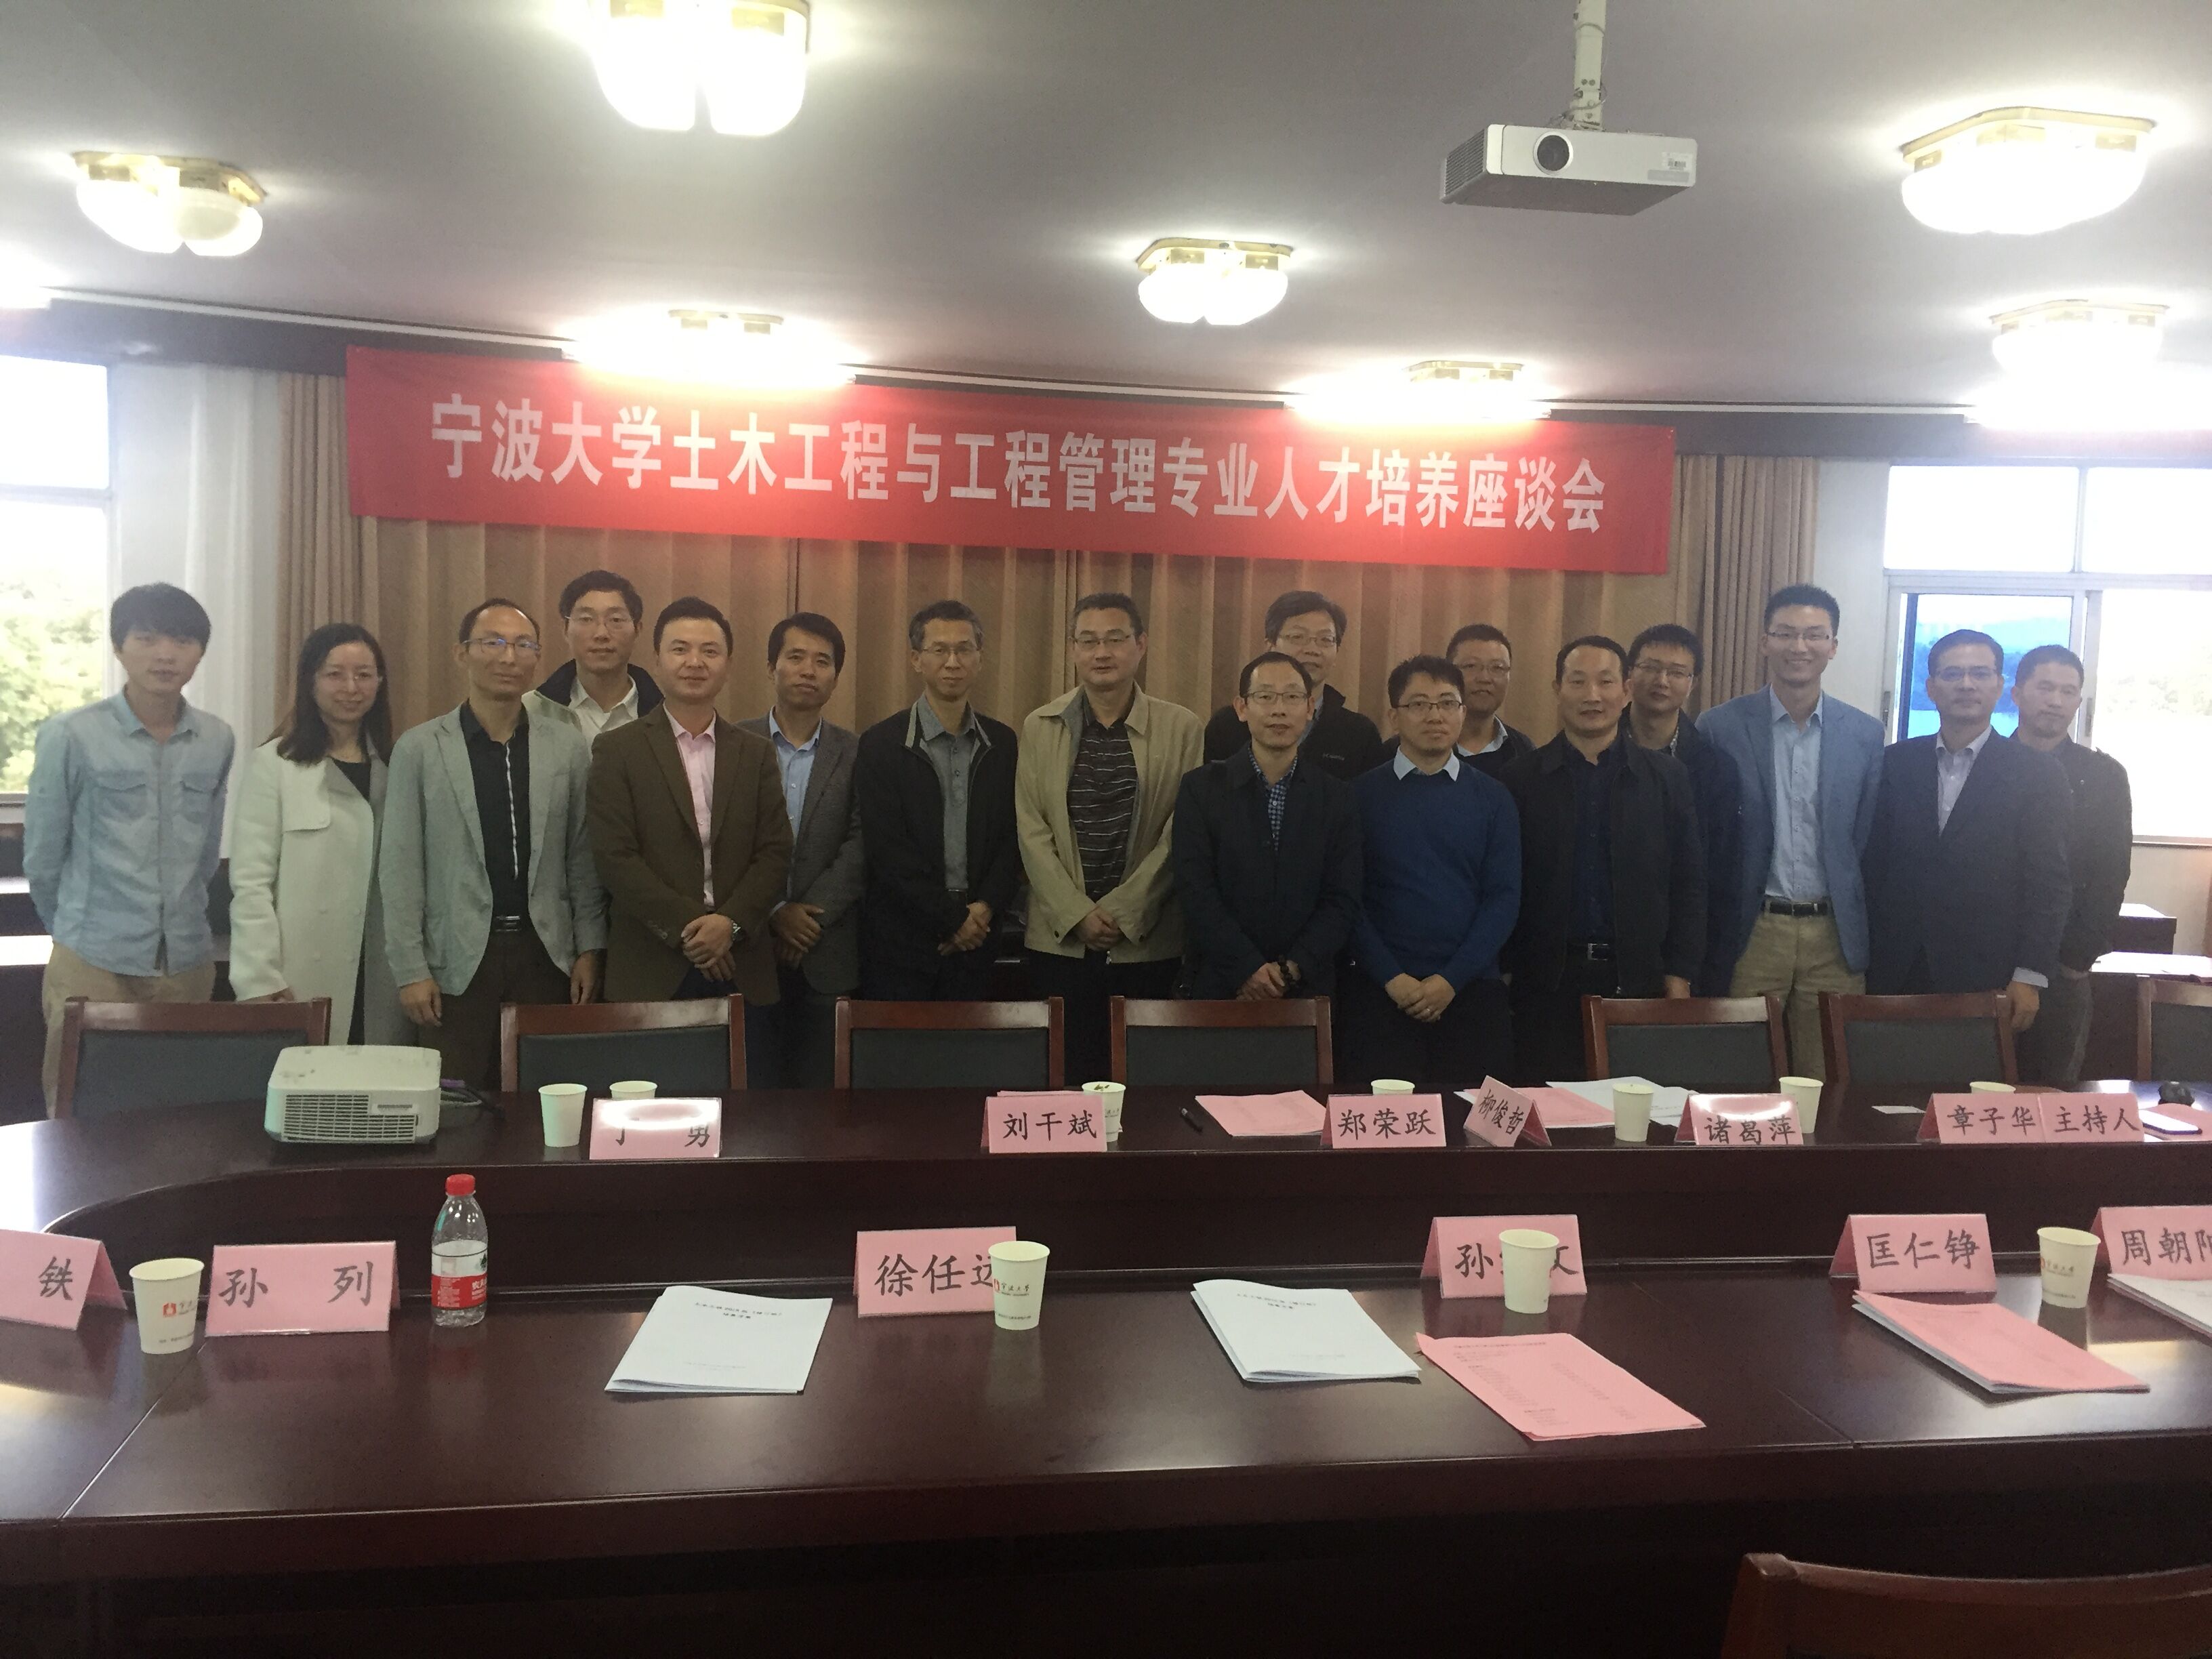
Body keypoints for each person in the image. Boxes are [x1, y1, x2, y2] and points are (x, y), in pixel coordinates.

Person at [24, 583, 236, 1111]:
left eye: (182, 641)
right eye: (147, 639)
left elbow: (206, 852)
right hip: (93, 961)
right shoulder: (71, 734)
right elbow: (43, 858)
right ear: (119, 647)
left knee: (179, 1113)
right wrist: (76, 932)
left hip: (186, 960)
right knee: (79, 1111)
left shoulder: (216, 739)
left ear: (200, 652)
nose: (166, 654)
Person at [382, 598, 607, 1090]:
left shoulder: (566, 747)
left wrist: (589, 947)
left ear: (538, 657)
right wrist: (410, 969)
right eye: (493, 643)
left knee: (547, 1096)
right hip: (455, 960)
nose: (509, 657)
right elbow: (400, 869)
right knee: (455, 1103)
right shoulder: (420, 749)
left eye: (524, 645)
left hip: (545, 955)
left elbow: (581, 858)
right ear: (461, 653)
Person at [587, 598, 792, 1065]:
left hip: (743, 967)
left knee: (751, 1104)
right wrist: (695, 930)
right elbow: (615, 859)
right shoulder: (617, 750)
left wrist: (729, 925)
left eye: (709, 651)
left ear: (728, 665)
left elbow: (776, 852)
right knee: (650, 1103)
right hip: (651, 969)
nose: (695, 662)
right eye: (680, 649)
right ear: (657, 659)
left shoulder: (755, 753)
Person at [1698, 584, 1885, 1078]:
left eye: (1814, 635)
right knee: (1739, 1072)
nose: (1799, 647)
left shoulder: (1865, 734)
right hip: (1754, 929)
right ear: (1764, 642)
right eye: (1785, 634)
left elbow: (1863, 835)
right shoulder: (1719, 727)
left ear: (1833, 646)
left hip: (1833, 934)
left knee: (1825, 1077)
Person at [1015, 593, 1204, 1081]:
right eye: (1089, 640)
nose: (1102, 652)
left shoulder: (1181, 727)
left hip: (1146, 941)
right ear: (1073, 649)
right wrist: (1076, 913)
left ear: (1141, 645)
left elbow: (1181, 832)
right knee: (1064, 1077)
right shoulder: (1039, 726)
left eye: (1115, 639)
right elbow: (1031, 830)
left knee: (1143, 1081)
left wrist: (1124, 910)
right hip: (1059, 940)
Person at [1501, 636, 1705, 1085]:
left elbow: (1688, 882)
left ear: (1627, 689)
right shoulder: (1521, 779)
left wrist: (1680, 972)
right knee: (1547, 1109)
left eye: (1605, 682)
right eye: (1578, 682)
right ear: (1557, 689)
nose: (1592, 695)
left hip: (1637, 978)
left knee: (1632, 1112)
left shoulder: (1666, 778)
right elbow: (1505, 884)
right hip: (1545, 983)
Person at [1862, 629, 2071, 1031]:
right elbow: (1873, 866)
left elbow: (2049, 883)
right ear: (1931, 688)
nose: (1966, 684)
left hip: (1989, 973)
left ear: (1999, 686)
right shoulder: (1895, 763)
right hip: (1894, 967)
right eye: (1953, 674)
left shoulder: (2038, 773)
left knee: (1973, 1074)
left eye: (1980, 673)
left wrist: (2030, 974)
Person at [1344, 657, 1519, 1090]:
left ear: (1463, 712)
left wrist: (1450, 980)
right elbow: (1346, 899)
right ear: (1394, 716)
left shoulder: (1495, 798)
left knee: (1474, 1125)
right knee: (1385, 1125)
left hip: (1471, 991)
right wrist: (1391, 977)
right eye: (1419, 704)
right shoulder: (1358, 797)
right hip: (1380, 993)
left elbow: (1503, 898)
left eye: (1447, 703)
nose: (1435, 715)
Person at [228, 623, 408, 1046]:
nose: (351, 688)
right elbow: (251, 883)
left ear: (380, 683)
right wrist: (259, 977)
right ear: (310, 681)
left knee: (379, 1077)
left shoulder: (398, 764)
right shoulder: (275, 764)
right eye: (335, 675)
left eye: (364, 675)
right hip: (300, 970)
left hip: (382, 969)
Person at [854, 600, 1020, 1000]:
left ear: (980, 659)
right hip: (903, 942)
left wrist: (983, 910)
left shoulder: (1002, 743)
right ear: (916, 659)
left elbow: (1013, 838)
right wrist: (951, 920)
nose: (952, 662)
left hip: (980, 937)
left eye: (964, 649)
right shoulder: (882, 743)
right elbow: (886, 850)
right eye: (939, 650)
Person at [1172, 652, 1362, 1002]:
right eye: (1265, 696)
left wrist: (1292, 968)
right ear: (1242, 708)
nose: (1279, 709)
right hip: (1219, 983)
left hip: (1307, 988)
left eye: (1292, 697)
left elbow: (1342, 898)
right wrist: (1246, 967)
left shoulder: (1337, 797)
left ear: (1310, 708)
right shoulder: (1201, 789)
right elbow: (1194, 889)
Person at [739, 613, 864, 1088]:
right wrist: (774, 911)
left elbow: (862, 843)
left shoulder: (857, 751)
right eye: (795, 657)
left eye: (822, 662)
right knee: (752, 1095)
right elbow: (722, 842)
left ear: (836, 677)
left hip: (827, 951)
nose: (808, 670)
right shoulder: (732, 743)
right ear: (771, 666)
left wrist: (808, 919)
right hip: (748, 945)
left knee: (824, 1099)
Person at [2008, 644, 2131, 1085]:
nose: (2055, 701)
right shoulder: (1988, 764)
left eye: (2068, 691)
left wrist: (2078, 957)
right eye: (2044, 688)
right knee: (1970, 1093)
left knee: (2049, 1093)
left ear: (2079, 700)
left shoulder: (2104, 776)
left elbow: (2112, 871)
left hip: (2063, 965)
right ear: (2016, 693)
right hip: (1987, 957)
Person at [1623, 623, 1743, 996]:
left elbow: (1720, 874)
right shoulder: (1596, 750)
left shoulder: (1716, 768)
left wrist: (1695, 964)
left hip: (1687, 951)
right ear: (1629, 674)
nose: (1662, 681)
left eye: (1677, 672)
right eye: (1650, 667)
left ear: (1692, 683)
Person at [1202, 590, 1384, 780]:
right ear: (1270, 646)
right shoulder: (1228, 725)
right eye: (1298, 637)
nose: (1313, 650)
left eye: (1325, 640)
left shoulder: (1360, 734)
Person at [523, 569, 664, 743]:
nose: (601, 634)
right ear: (565, 629)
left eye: (616, 620)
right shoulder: (531, 710)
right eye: (586, 619)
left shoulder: (664, 714)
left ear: (638, 630)